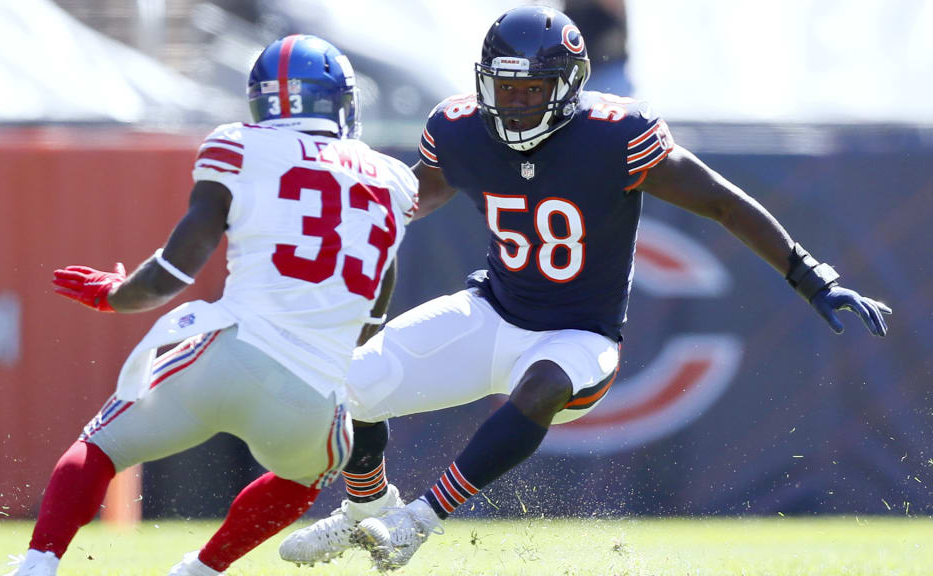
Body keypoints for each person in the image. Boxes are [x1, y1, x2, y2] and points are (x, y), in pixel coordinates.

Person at [276, 5, 892, 571]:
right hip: (494, 310)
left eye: (530, 90)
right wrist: (345, 227)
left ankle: (420, 520)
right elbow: (414, 197)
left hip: (580, 336)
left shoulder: (614, 136)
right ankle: (364, 513)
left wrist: (814, 278)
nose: (514, 104)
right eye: (503, 87)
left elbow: (723, 205)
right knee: (351, 387)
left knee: (541, 385)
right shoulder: (462, 129)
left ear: (566, 87)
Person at [4, 34, 418, 576]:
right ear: (341, 101)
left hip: (232, 354)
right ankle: (200, 570)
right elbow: (368, 320)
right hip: (313, 390)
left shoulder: (239, 144)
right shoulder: (392, 180)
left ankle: (37, 564)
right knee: (307, 474)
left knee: (101, 448)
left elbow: (175, 269)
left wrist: (114, 295)